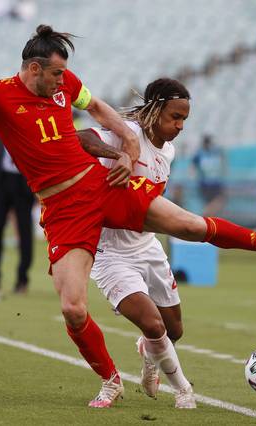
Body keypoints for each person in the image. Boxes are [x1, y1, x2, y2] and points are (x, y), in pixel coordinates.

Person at [0, 24, 256, 408]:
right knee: (73, 309)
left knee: (188, 225)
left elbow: (99, 109)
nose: (62, 80)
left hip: (99, 187)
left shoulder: (66, 84)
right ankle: (110, 380)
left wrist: (128, 145)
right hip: (63, 209)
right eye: (55, 73)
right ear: (34, 69)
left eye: (64, 74)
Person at [80, 78, 195, 408]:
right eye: (175, 116)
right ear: (156, 109)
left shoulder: (168, 151)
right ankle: (184, 390)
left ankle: (148, 356)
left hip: (147, 245)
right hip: (110, 251)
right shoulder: (127, 132)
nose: (180, 125)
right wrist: (120, 155)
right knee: (152, 323)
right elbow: (82, 137)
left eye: (184, 119)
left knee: (174, 330)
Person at [0, 128, 34, 298]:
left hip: (24, 182)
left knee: (25, 232)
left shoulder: (30, 124)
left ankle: (22, 279)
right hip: (1, 181)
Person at [191, 135, 226, 216]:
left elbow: (222, 159)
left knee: (218, 201)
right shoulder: (200, 153)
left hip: (214, 183)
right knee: (219, 200)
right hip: (206, 184)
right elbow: (193, 166)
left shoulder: (213, 152)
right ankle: (205, 215)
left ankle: (207, 217)